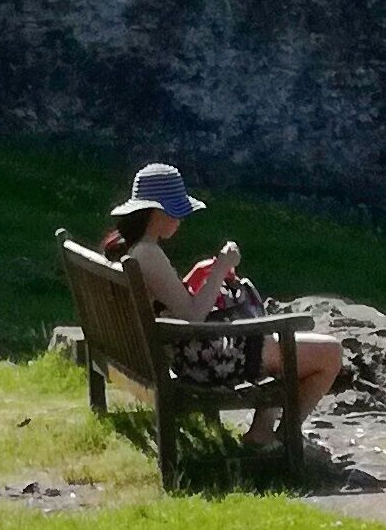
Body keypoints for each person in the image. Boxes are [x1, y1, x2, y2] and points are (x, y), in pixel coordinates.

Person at [101, 161, 343, 449]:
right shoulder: (148, 253)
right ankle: (280, 436)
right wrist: (221, 268)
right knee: (329, 353)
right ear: (155, 211)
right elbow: (193, 315)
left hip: (176, 350)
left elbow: (166, 301)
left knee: (277, 345)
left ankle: (262, 431)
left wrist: (198, 275)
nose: (181, 220)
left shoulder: (131, 248)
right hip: (202, 359)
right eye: (176, 212)